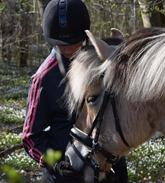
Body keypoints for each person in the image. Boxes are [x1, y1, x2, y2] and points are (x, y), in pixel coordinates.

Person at [22, 0, 128, 182]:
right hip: (67, 173)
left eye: (74, 42)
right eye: (62, 45)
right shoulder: (43, 78)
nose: (69, 49)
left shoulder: (102, 61)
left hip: (110, 166)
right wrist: (55, 162)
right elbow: (30, 136)